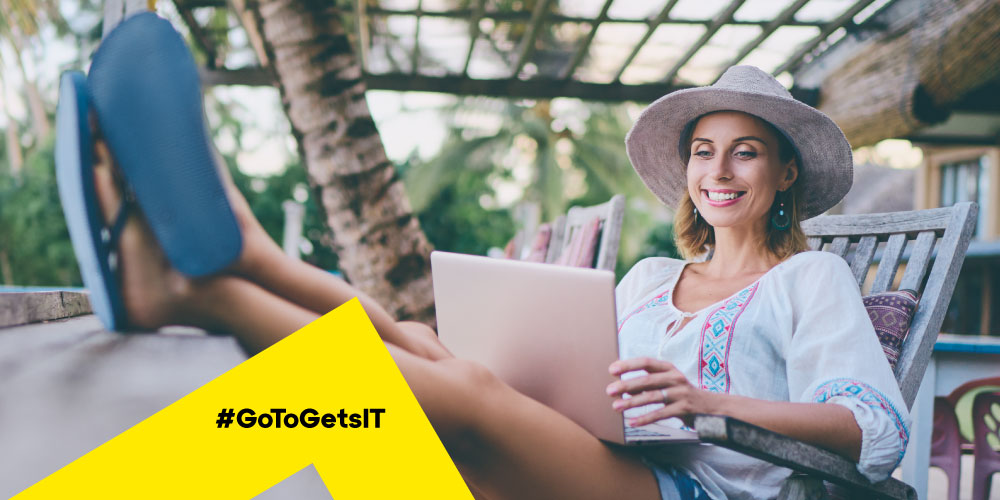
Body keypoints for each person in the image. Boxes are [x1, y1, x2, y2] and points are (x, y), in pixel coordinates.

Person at [82, 65, 908, 500]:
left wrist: (707, 401)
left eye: (745, 152)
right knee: (420, 351)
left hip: (694, 489)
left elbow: (873, 428)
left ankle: (215, 285)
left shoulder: (808, 278)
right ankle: (237, 265)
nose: (718, 171)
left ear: (785, 172)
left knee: (461, 394)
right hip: (602, 457)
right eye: (704, 151)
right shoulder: (652, 278)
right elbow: (594, 384)